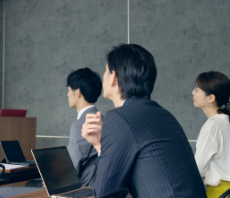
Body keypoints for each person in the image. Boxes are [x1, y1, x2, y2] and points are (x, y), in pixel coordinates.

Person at [82, 44, 206, 198]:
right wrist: (100, 145)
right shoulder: (163, 114)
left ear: (114, 77)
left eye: (106, 70)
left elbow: (104, 193)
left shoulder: (118, 117)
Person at [0, 67, 102, 198]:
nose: (67, 94)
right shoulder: (100, 119)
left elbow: (70, 168)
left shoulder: (82, 124)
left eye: (68, 89)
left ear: (78, 92)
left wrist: (52, 180)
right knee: (31, 184)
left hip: (76, 188)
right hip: (91, 183)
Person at [192, 71, 230, 198]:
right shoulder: (224, 120)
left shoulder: (212, 126)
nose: (193, 93)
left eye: (196, 89)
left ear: (210, 98)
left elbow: (197, 171)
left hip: (219, 194)